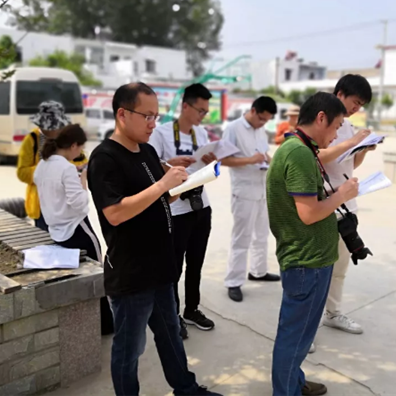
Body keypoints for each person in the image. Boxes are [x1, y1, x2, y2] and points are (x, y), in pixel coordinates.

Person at [87, 82, 221, 396]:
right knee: (129, 348)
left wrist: (182, 184)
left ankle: (186, 388)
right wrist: (162, 185)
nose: (152, 124)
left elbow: (161, 199)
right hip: (131, 274)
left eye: (156, 116)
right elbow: (115, 213)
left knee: (171, 334)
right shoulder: (105, 158)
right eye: (146, 116)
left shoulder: (146, 151)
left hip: (161, 266)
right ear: (122, 114)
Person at [267, 92, 358, 396]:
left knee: (301, 335)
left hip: (312, 258)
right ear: (321, 118)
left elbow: (306, 203)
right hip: (306, 261)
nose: (336, 136)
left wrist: (334, 195)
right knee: (294, 337)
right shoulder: (299, 153)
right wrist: (342, 195)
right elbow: (308, 214)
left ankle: (294, 382)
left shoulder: (300, 148)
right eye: (337, 127)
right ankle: (286, 390)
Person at [149, 83, 218, 339]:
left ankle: (192, 309)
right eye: (200, 110)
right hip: (177, 209)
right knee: (174, 267)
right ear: (185, 106)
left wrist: (212, 163)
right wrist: (170, 164)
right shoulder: (162, 133)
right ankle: (173, 315)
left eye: (205, 111)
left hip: (201, 205)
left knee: (196, 264)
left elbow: (205, 165)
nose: (203, 116)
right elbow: (150, 164)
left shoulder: (201, 133)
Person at [33, 123, 114, 336]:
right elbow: (79, 203)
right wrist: (82, 182)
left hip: (56, 230)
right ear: (73, 145)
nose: (80, 152)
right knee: (97, 274)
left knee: (75, 278)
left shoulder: (42, 165)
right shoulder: (67, 168)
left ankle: (83, 325)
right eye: (80, 148)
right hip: (77, 228)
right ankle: (106, 324)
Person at [310, 74, 374, 340]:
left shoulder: (348, 127)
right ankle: (306, 327)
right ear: (340, 94)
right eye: (355, 102)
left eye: (361, 105)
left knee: (340, 266)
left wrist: (363, 149)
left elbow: (349, 164)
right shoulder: (320, 120)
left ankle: (333, 312)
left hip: (347, 204)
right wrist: (352, 142)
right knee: (315, 270)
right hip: (324, 203)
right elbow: (314, 156)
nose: (356, 108)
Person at [221, 96, 281, 303]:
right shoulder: (233, 128)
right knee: (242, 238)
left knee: (262, 235)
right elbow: (223, 159)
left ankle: (258, 271)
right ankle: (233, 281)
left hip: (262, 189)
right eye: (261, 119)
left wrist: (274, 164)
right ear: (253, 111)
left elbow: (263, 154)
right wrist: (250, 160)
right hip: (244, 190)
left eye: (267, 120)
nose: (263, 123)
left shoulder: (260, 130)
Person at [17, 101, 87, 232]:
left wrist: (71, 168)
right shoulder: (31, 140)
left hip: (66, 206)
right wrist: (50, 170)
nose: (55, 130)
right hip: (42, 205)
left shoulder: (67, 138)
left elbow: (81, 160)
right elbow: (22, 172)